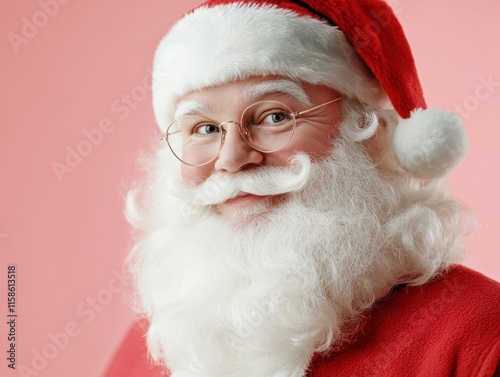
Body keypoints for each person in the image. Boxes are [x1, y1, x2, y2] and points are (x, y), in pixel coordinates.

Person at [104, 0, 500, 376]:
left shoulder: (478, 337)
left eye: (274, 116)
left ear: (368, 133)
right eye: (204, 128)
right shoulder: (166, 336)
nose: (231, 158)